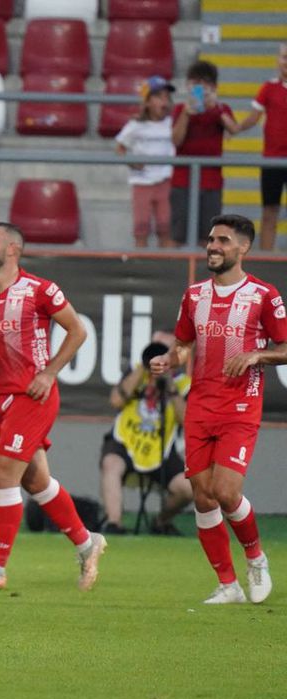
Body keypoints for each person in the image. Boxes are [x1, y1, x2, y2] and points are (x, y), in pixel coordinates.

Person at [0, 222, 107, 591]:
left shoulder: (40, 290)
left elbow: (77, 330)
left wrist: (50, 373)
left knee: (4, 472)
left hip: (34, 395)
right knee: (35, 479)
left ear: (13, 249)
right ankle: (88, 544)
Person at [150, 214, 287, 604]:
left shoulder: (264, 295)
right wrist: (168, 360)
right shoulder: (194, 295)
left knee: (226, 492)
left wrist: (255, 355)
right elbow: (183, 346)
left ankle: (255, 557)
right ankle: (228, 585)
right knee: (203, 496)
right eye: (211, 239)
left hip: (241, 406)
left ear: (243, 248)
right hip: (200, 404)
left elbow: (285, 348)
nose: (213, 246)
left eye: (223, 240)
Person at [99, 338, 192, 536]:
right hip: (124, 441)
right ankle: (114, 523)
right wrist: (142, 369)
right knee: (111, 463)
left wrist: (170, 387)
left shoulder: (183, 384)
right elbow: (116, 401)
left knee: (188, 488)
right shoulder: (135, 374)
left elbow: (187, 422)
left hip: (161, 448)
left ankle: (161, 521)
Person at [170, 60, 240, 247]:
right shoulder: (179, 109)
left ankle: (205, 275)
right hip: (182, 180)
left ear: (214, 86)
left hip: (211, 181)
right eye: (194, 83)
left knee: (208, 237)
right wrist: (186, 114)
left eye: (205, 83)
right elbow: (176, 140)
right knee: (177, 235)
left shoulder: (221, 109)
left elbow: (234, 129)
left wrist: (215, 109)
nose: (199, 87)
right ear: (187, 85)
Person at [234, 43, 287, 251]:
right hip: (272, 160)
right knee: (269, 212)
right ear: (278, 60)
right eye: (284, 57)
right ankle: (267, 258)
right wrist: (235, 128)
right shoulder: (268, 88)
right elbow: (253, 118)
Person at [115, 76, 176, 248]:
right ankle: (141, 264)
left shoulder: (172, 123)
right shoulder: (135, 126)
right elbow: (120, 148)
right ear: (147, 102)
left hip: (165, 180)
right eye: (158, 97)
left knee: (165, 226)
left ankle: (167, 264)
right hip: (142, 181)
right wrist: (133, 163)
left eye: (166, 97)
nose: (164, 102)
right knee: (141, 226)